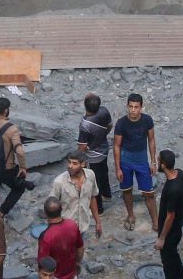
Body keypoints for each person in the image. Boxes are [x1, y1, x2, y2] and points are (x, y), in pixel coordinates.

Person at [0, 96, 34, 215]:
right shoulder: (11, 129)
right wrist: (23, 167)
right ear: (6, 110)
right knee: (19, 188)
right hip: (6, 169)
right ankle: (2, 212)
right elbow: (19, 151)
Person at [112, 93, 159, 232]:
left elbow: (151, 140)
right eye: (130, 107)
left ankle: (155, 221)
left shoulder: (147, 120)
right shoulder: (121, 123)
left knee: (148, 193)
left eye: (136, 107)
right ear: (127, 106)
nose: (133, 110)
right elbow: (116, 146)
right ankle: (131, 215)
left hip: (141, 159)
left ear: (141, 107)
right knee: (127, 190)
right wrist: (117, 168)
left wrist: (153, 161)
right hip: (126, 159)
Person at [155, 151, 183, 279]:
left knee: (167, 259)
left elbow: (170, 215)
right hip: (178, 224)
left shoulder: (172, 189)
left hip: (171, 229)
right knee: (174, 255)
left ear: (163, 165)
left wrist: (162, 237)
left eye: (158, 161)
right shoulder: (181, 174)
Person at [48, 155, 101, 244]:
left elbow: (92, 198)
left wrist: (98, 222)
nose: (70, 166)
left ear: (83, 164)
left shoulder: (90, 175)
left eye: (74, 163)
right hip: (64, 229)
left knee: (78, 251)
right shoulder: (59, 182)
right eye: (69, 162)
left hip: (82, 225)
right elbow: (51, 208)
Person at [78, 93, 114, 215]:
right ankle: (107, 194)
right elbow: (109, 126)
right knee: (104, 171)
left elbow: (82, 146)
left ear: (85, 105)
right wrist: (102, 135)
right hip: (104, 149)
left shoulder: (85, 124)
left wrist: (80, 158)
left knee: (95, 181)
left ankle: (99, 209)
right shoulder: (104, 111)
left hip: (93, 156)